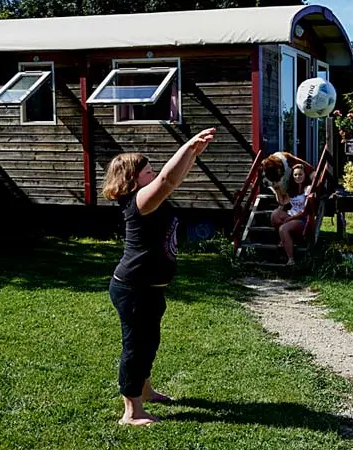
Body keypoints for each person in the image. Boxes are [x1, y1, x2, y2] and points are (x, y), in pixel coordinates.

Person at [100, 127, 216, 426]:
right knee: (136, 345)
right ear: (131, 180)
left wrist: (192, 154)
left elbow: (171, 181)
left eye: (152, 169)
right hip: (134, 288)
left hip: (149, 288)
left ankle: (145, 390)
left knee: (149, 341)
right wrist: (187, 145)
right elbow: (167, 180)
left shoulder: (149, 201)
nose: (153, 174)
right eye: (147, 171)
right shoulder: (139, 204)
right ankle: (132, 411)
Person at [269, 164, 313, 265]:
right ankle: (283, 239)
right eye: (295, 175)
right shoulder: (292, 189)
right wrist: (277, 190)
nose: (298, 177)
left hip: (302, 219)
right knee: (275, 214)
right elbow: (282, 202)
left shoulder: (308, 188)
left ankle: (291, 259)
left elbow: (305, 211)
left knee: (283, 228)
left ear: (305, 175)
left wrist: (290, 219)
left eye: (300, 174)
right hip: (292, 216)